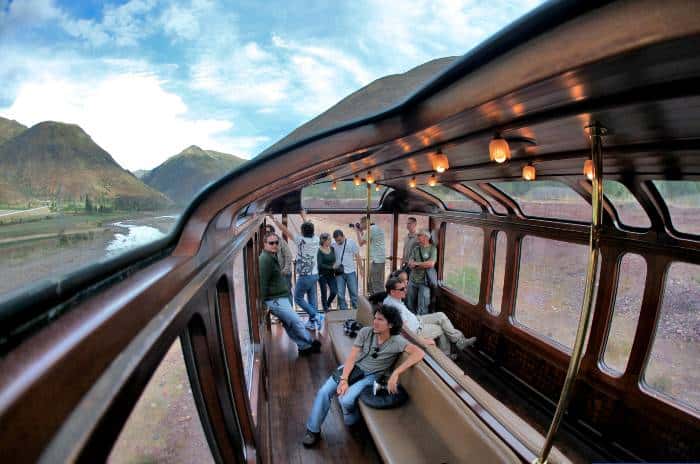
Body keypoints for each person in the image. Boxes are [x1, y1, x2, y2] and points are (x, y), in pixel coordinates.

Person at [302, 303, 424, 447]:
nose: (375, 322)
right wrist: (344, 379)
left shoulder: (397, 341)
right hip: (353, 368)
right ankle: (312, 430)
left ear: (390, 325)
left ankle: (352, 420)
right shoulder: (366, 332)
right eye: (375, 318)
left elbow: (419, 353)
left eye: (380, 320)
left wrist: (396, 372)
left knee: (345, 401)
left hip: (371, 377)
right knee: (324, 392)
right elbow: (352, 357)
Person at [259, 231, 321, 355]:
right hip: (275, 300)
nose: (274, 245)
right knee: (296, 321)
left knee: (289, 324)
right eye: (271, 243)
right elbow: (263, 282)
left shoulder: (272, 256)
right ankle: (310, 341)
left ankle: (304, 347)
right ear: (264, 244)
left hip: (280, 297)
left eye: (276, 243)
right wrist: (263, 303)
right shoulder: (265, 260)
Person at [383, 277, 476, 358]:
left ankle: (458, 341)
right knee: (442, 329)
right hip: (417, 330)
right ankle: (448, 354)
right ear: (392, 292)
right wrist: (420, 340)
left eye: (405, 287)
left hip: (417, 319)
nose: (405, 290)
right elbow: (404, 330)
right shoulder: (393, 308)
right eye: (402, 289)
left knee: (440, 315)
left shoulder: (390, 299)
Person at [270, 213, 324, 330]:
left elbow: (285, 230)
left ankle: (316, 316)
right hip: (314, 274)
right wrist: (303, 215)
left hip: (305, 277)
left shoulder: (300, 240)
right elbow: (310, 225)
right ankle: (312, 322)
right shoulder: (316, 239)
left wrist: (273, 218)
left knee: (298, 298)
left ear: (303, 232)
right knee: (312, 299)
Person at [406, 229, 436, 315]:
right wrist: (420, 264)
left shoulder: (432, 249)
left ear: (426, 237)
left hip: (425, 282)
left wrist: (416, 264)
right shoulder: (416, 249)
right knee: (409, 304)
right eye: (418, 235)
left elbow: (430, 264)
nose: (417, 237)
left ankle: (421, 325)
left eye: (419, 235)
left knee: (423, 306)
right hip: (412, 280)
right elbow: (410, 263)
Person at [332, 229, 362, 310]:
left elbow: (357, 256)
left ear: (343, 236)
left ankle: (355, 311)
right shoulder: (333, 244)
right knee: (340, 294)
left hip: (350, 272)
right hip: (339, 273)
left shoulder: (351, 242)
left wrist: (361, 269)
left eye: (340, 240)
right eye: (337, 240)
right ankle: (343, 312)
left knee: (354, 293)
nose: (338, 242)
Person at [355, 216, 386, 294]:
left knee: (376, 284)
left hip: (376, 260)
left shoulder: (370, 230)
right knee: (379, 282)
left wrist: (357, 231)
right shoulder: (376, 228)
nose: (361, 226)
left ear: (365, 222)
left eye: (361, 224)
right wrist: (362, 232)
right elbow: (369, 242)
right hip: (380, 260)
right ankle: (378, 301)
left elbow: (361, 243)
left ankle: (379, 303)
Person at [265, 224, 293, 294]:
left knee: (286, 292)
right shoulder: (266, 243)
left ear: (273, 233)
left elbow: (288, 256)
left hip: (284, 273)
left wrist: (284, 271)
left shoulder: (281, 242)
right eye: (265, 232)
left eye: (268, 232)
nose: (266, 234)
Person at [317, 233, 338, 312]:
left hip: (331, 274)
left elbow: (334, 259)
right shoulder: (319, 251)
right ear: (324, 240)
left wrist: (335, 264)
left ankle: (327, 304)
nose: (330, 241)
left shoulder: (332, 249)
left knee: (334, 291)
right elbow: (320, 264)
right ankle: (325, 309)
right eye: (329, 239)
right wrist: (331, 267)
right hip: (322, 275)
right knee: (324, 293)